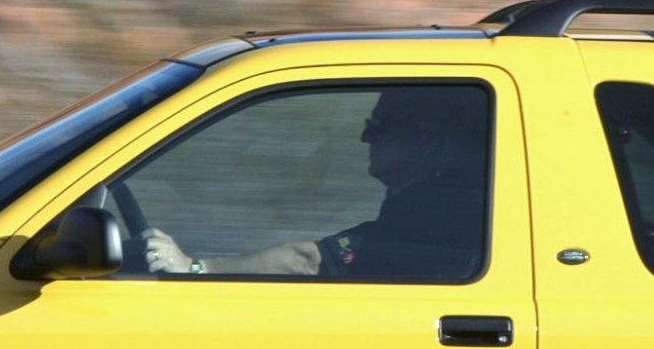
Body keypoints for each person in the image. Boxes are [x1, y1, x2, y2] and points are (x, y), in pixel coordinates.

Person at [142, 85, 489, 281]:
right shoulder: (441, 200)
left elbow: (308, 261)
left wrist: (195, 268)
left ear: (428, 142)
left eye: (380, 128)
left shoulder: (434, 211)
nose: (365, 137)